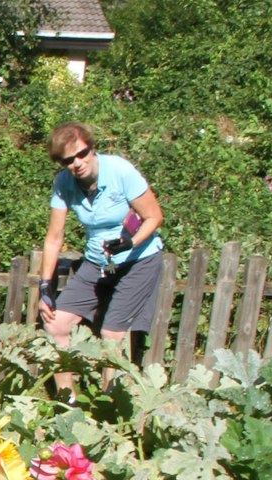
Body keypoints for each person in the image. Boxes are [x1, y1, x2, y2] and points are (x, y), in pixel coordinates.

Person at [36, 122, 165, 394]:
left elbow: (154, 217)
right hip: (98, 262)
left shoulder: (120, 171)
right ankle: (67, 400)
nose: (77, 163)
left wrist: (130, 241)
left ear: (93, 149)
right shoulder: (64, 183)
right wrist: (45, 287)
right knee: (55, 323)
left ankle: (109, 407)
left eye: (82, 154)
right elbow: (54, 238)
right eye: (68, 160)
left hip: (138, 261)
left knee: (111, 335)